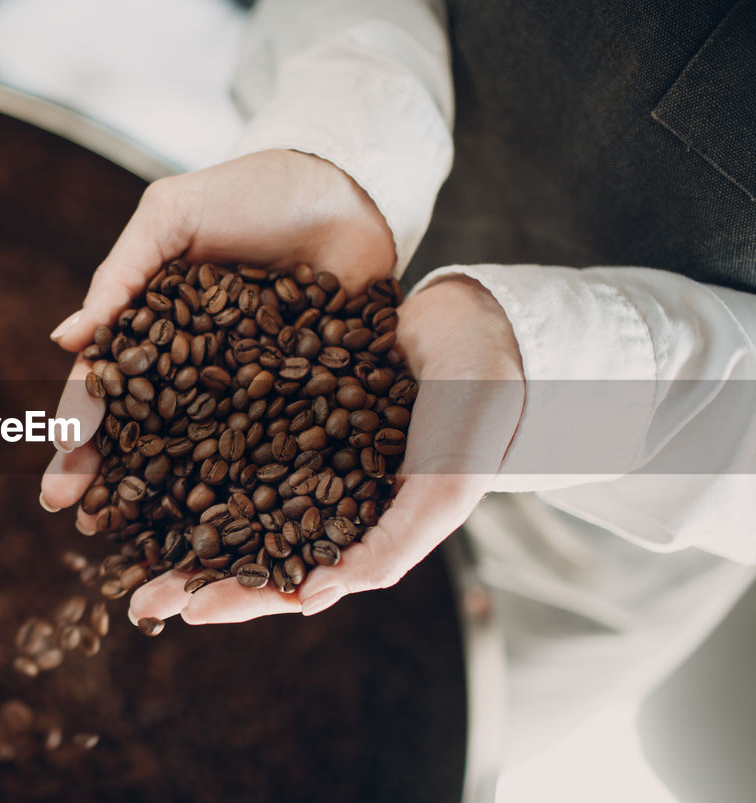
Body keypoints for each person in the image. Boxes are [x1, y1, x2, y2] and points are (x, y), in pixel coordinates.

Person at [38, 0, 756, 762]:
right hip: (368, 237)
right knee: (215, 698)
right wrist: (345, 144)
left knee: (404, 745)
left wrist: (546, 365)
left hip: (643, 504)